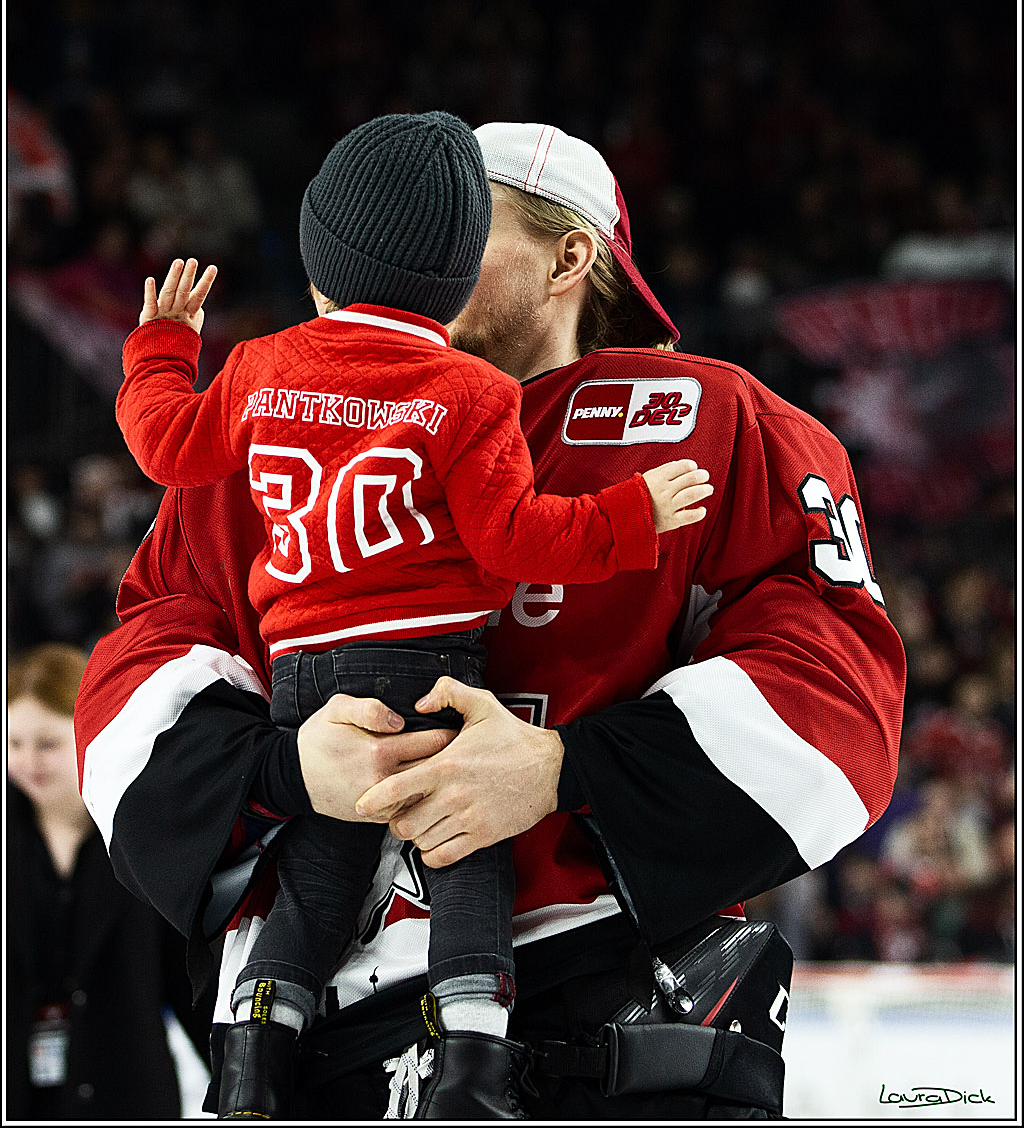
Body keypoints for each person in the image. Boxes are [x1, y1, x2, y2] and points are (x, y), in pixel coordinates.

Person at [75, 122, 906, 1121]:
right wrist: (284, 772)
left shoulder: (720, 423)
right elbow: (145, 655)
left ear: (568, 257)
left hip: (600, 1012)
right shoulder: (278, 414)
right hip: (311, 1042)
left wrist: (566, 770)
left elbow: (836, 691)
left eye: (463, 225)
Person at [7, 642, 213, 1120]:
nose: (29, 761)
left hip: (122, 1088)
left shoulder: (143, 836)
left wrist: (237, 1077)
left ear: (88, 733)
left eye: (47, 744)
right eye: (14, 743)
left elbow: (189, 978)